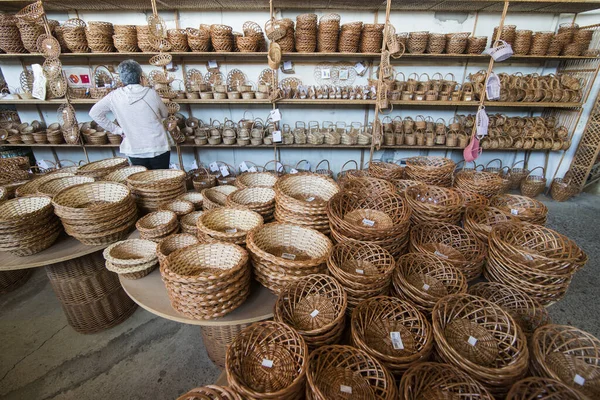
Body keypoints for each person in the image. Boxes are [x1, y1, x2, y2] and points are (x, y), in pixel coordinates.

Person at [89, 59, 173, 170]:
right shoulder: (151, 93)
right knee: (163, 183)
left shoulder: (114, 96)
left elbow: (94, 113)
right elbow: (165, 114)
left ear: (122, 79)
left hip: (134, 148)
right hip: (158, 146)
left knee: (142, 184)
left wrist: (118, 130)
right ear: (140, 77)